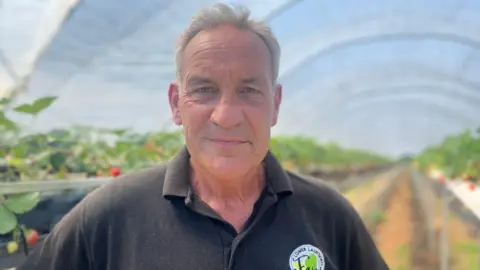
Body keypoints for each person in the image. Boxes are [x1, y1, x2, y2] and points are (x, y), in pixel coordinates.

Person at [18, 3, 388, 270]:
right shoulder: (109, 217)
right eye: (205, 89)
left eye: (249, 90)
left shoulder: (328, 216)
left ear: (274, 105)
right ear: (176, 104)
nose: (226, 116)